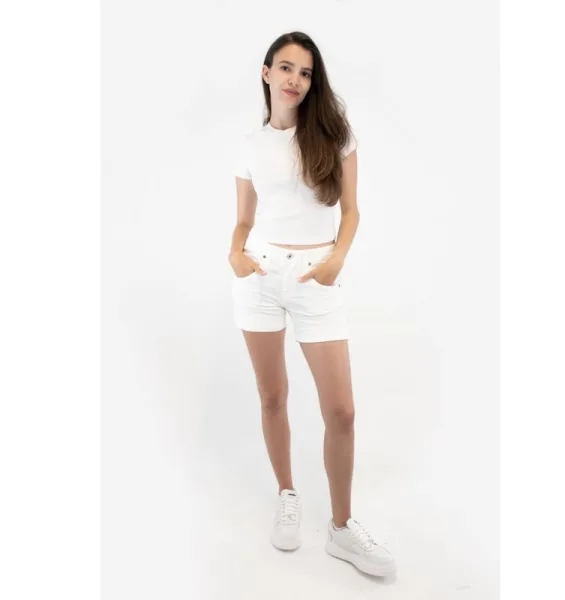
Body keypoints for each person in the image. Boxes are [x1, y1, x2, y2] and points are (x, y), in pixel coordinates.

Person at [228, 31, 396, 578]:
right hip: (259, 275)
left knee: (341, 411)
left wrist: (335, 260)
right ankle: (287, 493)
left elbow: (351, 210)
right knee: (272, 395)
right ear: (266, 73)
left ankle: (341, 528)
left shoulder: (334, 135)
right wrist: (234, 253)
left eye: (305, 72)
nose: (295, 80)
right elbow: (244, 219)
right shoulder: (250, 144)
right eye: (285, 68)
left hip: (315, 277)